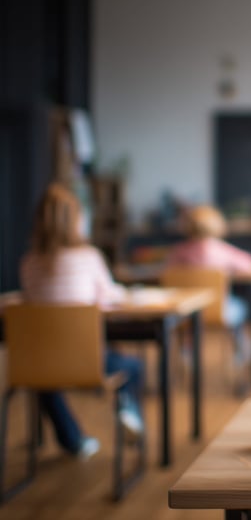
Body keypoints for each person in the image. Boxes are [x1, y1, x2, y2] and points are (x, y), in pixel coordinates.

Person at [19, 183, 145, 460]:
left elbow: (32, 301)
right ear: (78, 220)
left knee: (44, 378)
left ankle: (74, 442)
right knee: (134, 366)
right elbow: (109, 296)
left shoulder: (28, 262)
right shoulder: (88, 257)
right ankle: (127, 410)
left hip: (40, 361)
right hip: (87, 360)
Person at [166, 204, 251, 335]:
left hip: (185, 311)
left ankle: (186, 350)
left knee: (187, 322)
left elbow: (168, 270)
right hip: (218, 309)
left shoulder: (178, 251)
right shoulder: (221, 249)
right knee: (240, 306)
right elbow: (249, 263)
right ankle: (241, 347)